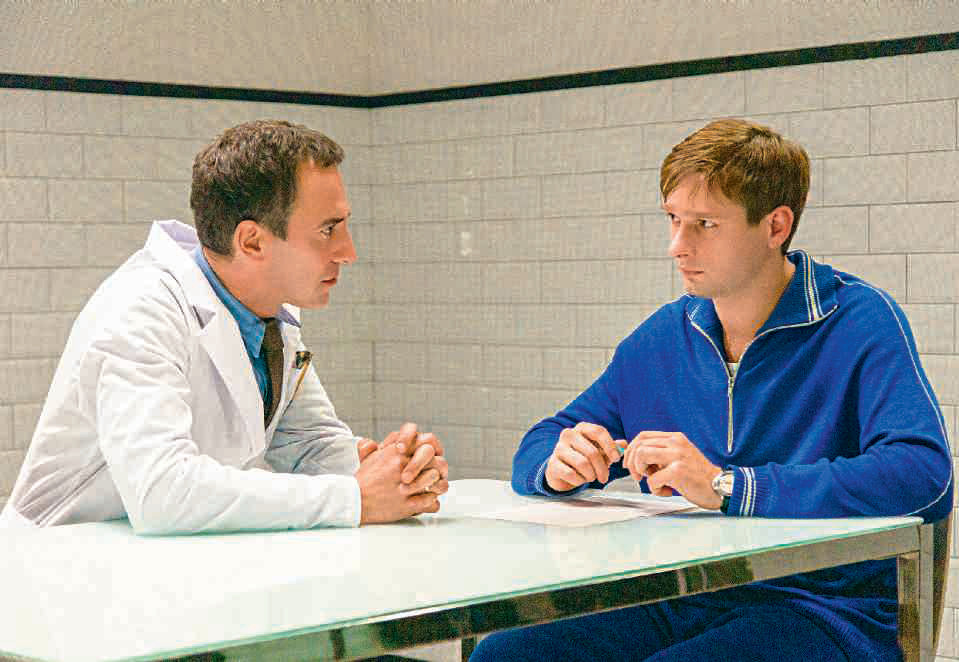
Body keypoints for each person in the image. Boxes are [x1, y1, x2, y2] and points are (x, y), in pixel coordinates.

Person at [473, 119, 952, 662]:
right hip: (679, 594)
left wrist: (729, 486)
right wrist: (559, 463)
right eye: (674, 219)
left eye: (705, 224)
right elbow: (541, 442)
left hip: (821, 608)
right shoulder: (664, 336)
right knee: (505, 654)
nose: (678, 246)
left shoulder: (859, 320)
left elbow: (923, 474)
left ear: (775, 226)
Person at [1, 120, 448, 534]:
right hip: (60, 566)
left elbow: (307, 445)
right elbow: (162, 492)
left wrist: (396, 471)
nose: (348, 252)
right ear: (251, 241)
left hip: (158, 565)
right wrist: (354, 498)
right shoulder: (141, 310)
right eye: (328, 230)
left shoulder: (271, 315)